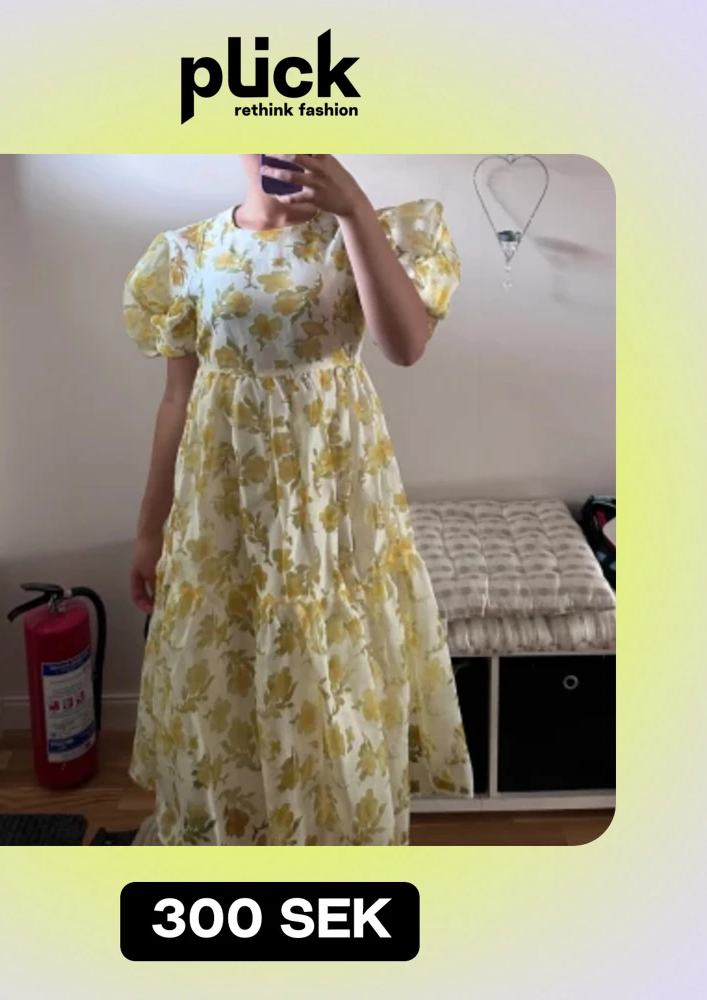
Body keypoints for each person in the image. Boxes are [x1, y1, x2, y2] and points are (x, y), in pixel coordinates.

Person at [124, 154, 473, 846]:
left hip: (332, 501)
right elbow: (176, 401)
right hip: (225, 506)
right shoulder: (186, 253)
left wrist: (354, 209)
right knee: (225, 662)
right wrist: (148, 529)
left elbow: (405, 346)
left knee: (334, 663)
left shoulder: (371, 233)